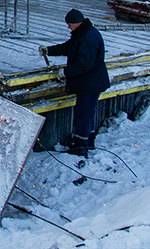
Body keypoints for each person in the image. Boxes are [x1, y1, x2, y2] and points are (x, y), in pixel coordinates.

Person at [39, 9, 110, 158]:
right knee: (87, 114)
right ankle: (87, 142)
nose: (68, 28)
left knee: (83, 116)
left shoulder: (88, 38)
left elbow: (84, 64)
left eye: (70, 25)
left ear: (77, 23)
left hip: (90, 83)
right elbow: (68, 47)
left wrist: (66, 72)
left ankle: (80, 148)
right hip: (90, 82)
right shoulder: (83, 33)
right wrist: (49, 50)